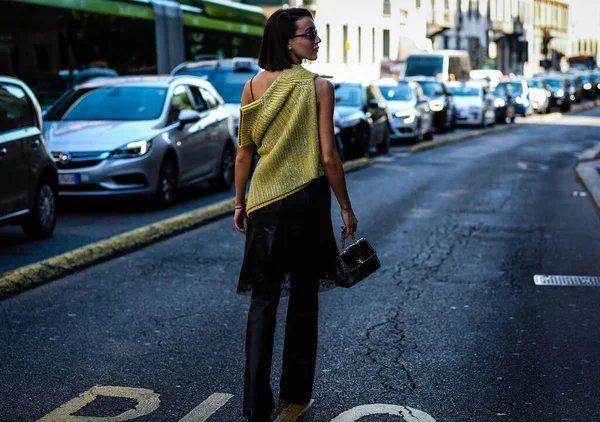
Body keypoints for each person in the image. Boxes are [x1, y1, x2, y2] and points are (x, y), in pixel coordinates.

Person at [233, 7, 358, 422]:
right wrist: (345, 206)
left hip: (264, 206)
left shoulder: (252, 87)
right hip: (305, 204)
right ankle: (296, 396)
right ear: (289, 43)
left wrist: (239, 202)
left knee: (263, 300)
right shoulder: (318, 87)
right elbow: (328, 156)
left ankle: (255, 404)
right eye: (310, 35)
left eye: (316, 34)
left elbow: (244, 153)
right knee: (303, 300)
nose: (317, 41)